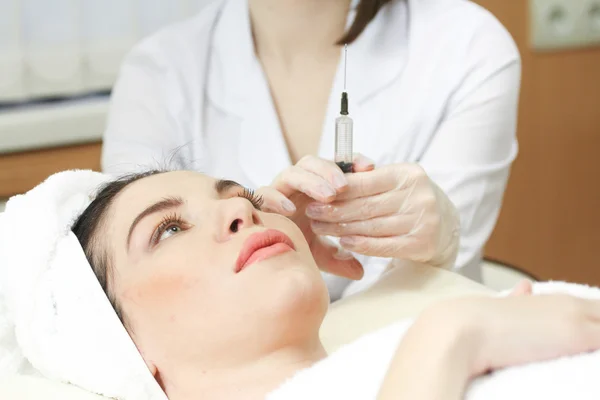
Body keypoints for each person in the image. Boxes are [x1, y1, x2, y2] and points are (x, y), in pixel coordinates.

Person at [102, 0, 521, 294]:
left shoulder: (468, 46)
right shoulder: (156, 73)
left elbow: (418, 308)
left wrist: (440, 241)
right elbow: (136, 295)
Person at [71, 169, 600, 400]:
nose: (239, 209)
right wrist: (454, 337)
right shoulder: (442, 338)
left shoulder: (391, 353)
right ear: (119, 347)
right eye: (167, 230)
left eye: (248, 199)